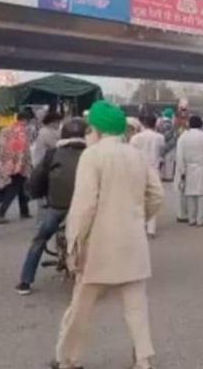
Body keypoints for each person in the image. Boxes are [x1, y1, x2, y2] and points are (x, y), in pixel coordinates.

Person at [52, 101, 162, 369]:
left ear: (98, 129)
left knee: (81, 307)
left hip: (98, 246)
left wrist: (74, 243)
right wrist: (138, 218)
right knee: (136, 307)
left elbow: (84, 206)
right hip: (133, 243)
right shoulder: (136, 154)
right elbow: (156, 195)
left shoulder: (92, 156)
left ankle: (69, 360)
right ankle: (144, 360)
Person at [16, 118, 87, 295]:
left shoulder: (53, 154)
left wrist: (35, 194)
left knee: (39, 240)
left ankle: (25, 282)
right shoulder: (92, 153)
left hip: (57, 206)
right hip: (85, 207)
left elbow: (38, 178)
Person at [0, 108, 34, 224]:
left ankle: (24, 211)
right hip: (19, 165)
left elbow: (0, 147)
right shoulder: (22, 132)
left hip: (7, 164)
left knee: (21, 187)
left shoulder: (5, 130)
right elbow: (24, 151)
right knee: (14, 188)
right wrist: (25, 165)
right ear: (26, 120)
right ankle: (0, 214)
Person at [130, 115, 165, 237]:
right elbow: (161, 152)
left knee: (139, 198)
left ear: (143, 123)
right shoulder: (160, 137)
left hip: (138, 168)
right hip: (154, 169)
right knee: (153, 197)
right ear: (155, 124)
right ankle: (151, 230)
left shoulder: (135, 138)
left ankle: (140, 225)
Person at [176, 115, 203, 226]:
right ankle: (202, 219)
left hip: (189, 168)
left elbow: (179, 155)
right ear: (201, 124)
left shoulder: (183, 137)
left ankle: (191, 219)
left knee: (190, 194)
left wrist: (182, 171)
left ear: (189, 124)